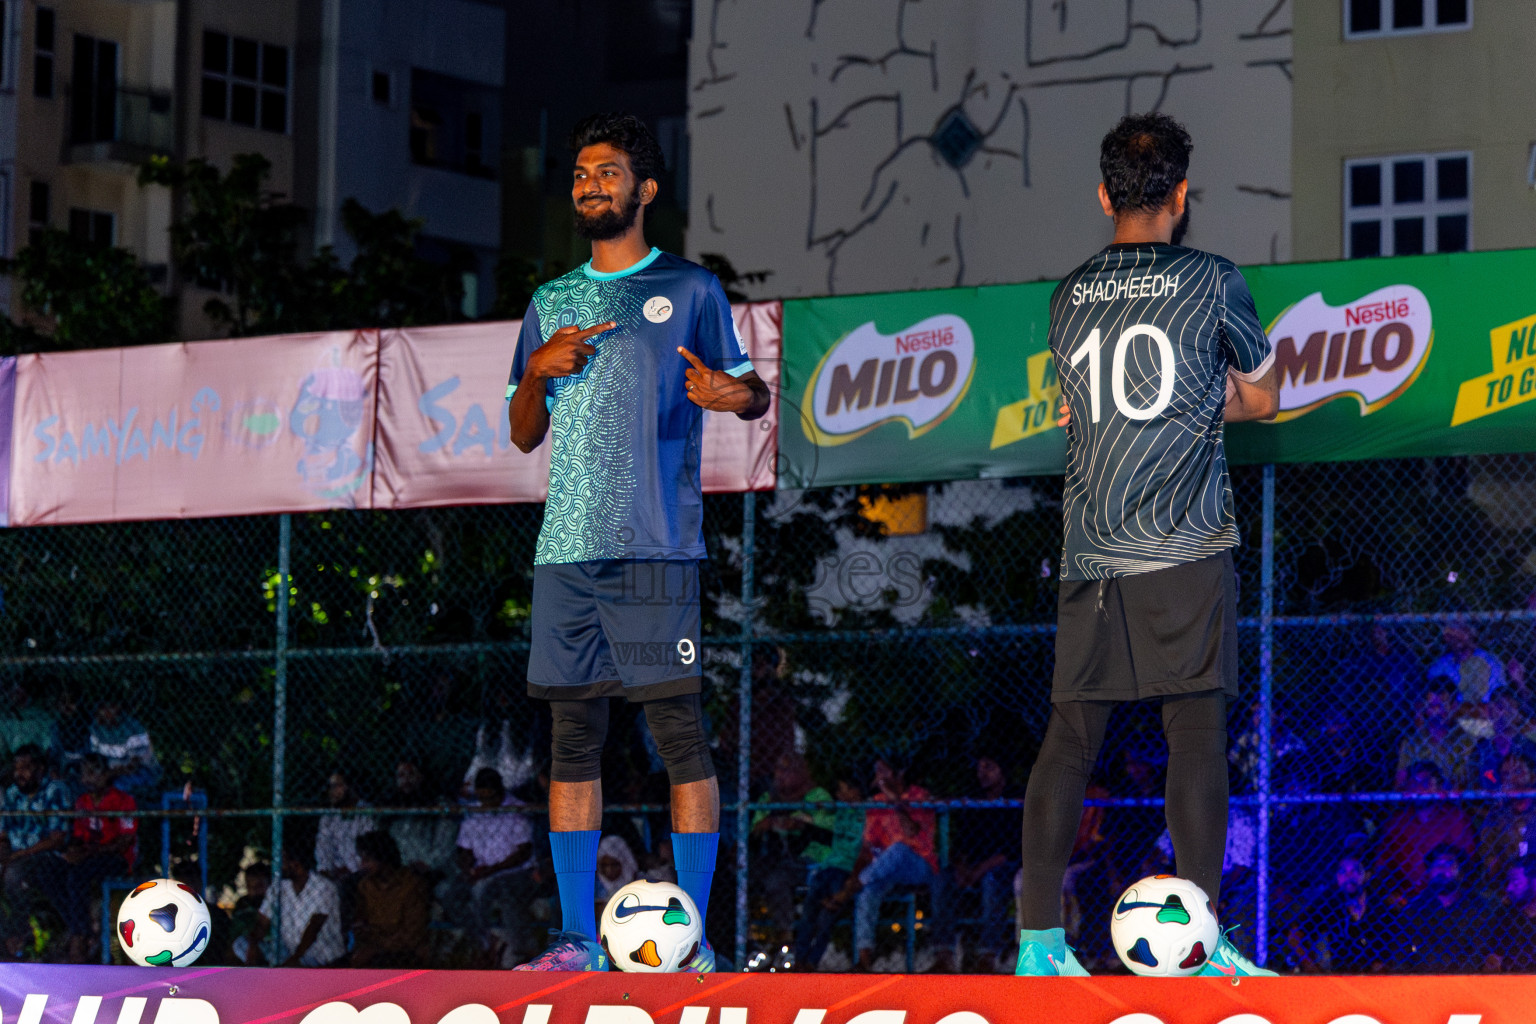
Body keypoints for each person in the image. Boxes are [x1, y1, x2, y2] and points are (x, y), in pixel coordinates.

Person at [1014, 112, 1279, 978]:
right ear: (1181, 195)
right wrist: (1218, 402)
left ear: (1103, 197)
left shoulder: (1066, 294)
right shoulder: (1213, 279)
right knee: (1196, 736)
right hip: (1185, 542)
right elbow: (1264, 397)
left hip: (1092, 548)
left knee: (1069, 739)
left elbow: (1077, 410)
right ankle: (1199, 949)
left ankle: (1039, 944)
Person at [505, 111, 769, 973]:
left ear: (645, 189)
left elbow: (748, 390)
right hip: (566, 554)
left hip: (657, 549)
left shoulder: (690, 290)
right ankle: (577, 941)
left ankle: (690, 942)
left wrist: (735, 399)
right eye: (581, 173)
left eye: (607, 173)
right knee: (572, 746)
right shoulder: (550, 303)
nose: (589, 184)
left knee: (680, 740)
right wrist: (537, 374)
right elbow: (519, 434)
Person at [828, 757, 940, 972]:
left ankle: (851, 887)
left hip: (919, 865)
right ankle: (864, 958)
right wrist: (858, 872)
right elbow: (868, 848)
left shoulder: (919, 796)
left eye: (884, 771)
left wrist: (894, 799)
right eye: (876, 771)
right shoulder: (876, 802)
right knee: (868, 891)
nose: (878, 777)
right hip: (885, 868)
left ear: (899, 774)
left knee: (898, 850)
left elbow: (911, 832)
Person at [41, 753, 137, 962]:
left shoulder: (123, 800)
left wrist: (86, 853)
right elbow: (77, 836)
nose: (89, 777)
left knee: (78, 874)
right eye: (85, 773)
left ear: (106, 774)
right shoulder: (82, 802)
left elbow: (125, 841)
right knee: (48, 871)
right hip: (87, 857)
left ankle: (80, 937)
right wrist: (72, 851)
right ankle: (80, 928)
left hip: (115, 859)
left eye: (94, 772)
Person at [442, 767, 538, 966]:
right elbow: (464, 849)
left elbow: (523, 852)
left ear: (500, 791)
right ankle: (485, 942)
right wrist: (468, 869)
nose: (487, 802)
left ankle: (502, 951)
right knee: (449, 894)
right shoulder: (475, 811)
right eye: (482, 796)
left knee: (483, 890)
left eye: (491, 796)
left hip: (514, 872)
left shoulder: (516, 810)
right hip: (480, 870)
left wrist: (489, 871)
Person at [941, 755, 1021, 973]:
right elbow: (962, 842)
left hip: (1005, 865)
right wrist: (961, 867)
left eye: (989, 767)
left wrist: (978, 870)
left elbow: (1013, 848)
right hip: (975, 865)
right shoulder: (975, 800)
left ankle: (988, 954)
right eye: (979, 768)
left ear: (1002, 769)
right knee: (944, 878)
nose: (982, 773)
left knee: (992, 881)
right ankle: (944, 953)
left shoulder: (1015, 798)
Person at [0, 745, 71, 957]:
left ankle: (21, 936)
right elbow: (4, 836)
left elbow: (57, 840)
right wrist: (4, 856)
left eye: (26, 767)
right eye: (16, 768)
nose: (19, 773)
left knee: (14, 874)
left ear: (40, 769)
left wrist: (15, 858)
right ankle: (9, 938)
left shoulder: (56, 790)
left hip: (48, 857)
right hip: (16, 857)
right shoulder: (12, 794)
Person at [1372, 761, 1475, 906]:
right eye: (1414, 783)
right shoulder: (1396, 823)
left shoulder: (1454, 818)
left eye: (1427, 782)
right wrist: (1392, 894)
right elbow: (1382, 864)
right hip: (1404, 901)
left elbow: (1467, 862)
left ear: (1438, 787)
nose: (1420, 789)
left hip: (1446, 897)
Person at [794, 772, 865, 971]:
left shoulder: (867, 813)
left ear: (855, 791)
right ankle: (799, 960)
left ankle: (811, 962)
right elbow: (825, 815)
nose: (839, 795)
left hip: (846, 870)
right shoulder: (841, 810)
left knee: (826, 919)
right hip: (828, 867)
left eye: (843, 790)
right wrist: (815, 811)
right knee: (809, 911)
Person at [1285, 852, 1397, 973]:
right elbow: (1294, 935)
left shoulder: (1379, 903)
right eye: (1343, 872)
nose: (1349, 877)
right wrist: (1310, 965)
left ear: (1366, 875)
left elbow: (1392, 942)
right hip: (1341, 973)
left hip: (1376, 976)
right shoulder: (1329, 903)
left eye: (1355, 871)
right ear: (1337, 877)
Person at [238, 845, 345, 967]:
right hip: (291, 951)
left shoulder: (324, 887)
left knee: (296, 964)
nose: (279, 866)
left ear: (296, 864)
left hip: (321, 955)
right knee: (240, 944)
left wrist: (294, 960)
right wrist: (252, 945)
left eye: (283, 862)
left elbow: (313, 928)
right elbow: (262, 922)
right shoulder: (279, 887)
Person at [1401, 844, 1493, 973]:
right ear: (1430, 871)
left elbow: (1483, 949)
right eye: (1438, 866)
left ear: (1460, 871)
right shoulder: (1414, 908)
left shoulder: (1477, 907)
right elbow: (1401, 953)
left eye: (1450, 865)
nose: (1444, 871)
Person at [348, 830, 431, 968]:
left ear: (383, 859)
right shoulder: (365, 886)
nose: (362, 865)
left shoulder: (412, 886)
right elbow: (360, 927)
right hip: (374, 948)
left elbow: (412, 937)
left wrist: (378, 947)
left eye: (367, 860)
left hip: (404, 952)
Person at [1394, 680, 1476, 790]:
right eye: (1431, 705)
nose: (1436, 711)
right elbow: (1399, 783)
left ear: (1454, 706)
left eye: (1441, 705)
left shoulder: (1465, 741)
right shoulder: (1411, 742)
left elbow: (1462, 782)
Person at [88, 699, 160, 796]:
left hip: (140, 773)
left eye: (108, 708)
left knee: (119, 785)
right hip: (109, 774)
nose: (103, 712)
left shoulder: (133, 728)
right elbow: (95, 758)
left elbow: (134, 765)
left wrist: (108, 775)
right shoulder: (96, 729)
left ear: (117, 708)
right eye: (101, 708)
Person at [1428, 623, 1505, 704]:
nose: (1458, 637)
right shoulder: (1441, 664)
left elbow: (1498, 699)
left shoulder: (1490, 661)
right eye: (1453, 633)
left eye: (1463, 631)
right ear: (1447, 638)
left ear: (1472, 634)